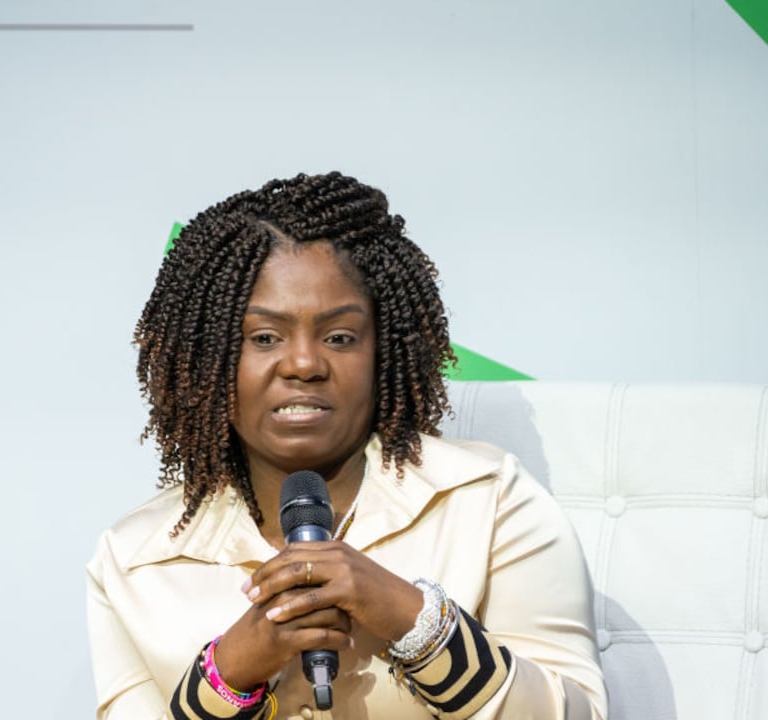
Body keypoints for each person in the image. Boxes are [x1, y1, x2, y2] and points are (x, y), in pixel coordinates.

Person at [86, 172, 606, 719]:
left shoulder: (491, 502)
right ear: (205, 359)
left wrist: (410, 617)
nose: (305, 364)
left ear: (384, 351)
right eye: (264, 337)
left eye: (339, 337)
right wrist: (231, 672)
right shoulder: (133, 561)